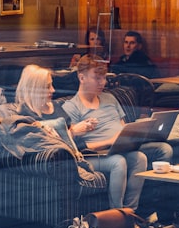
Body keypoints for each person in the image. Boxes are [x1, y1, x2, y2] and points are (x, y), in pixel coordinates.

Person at [62, 55, 148, 211]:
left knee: (140, 158)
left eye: (104, 77)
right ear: (82, 78)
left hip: (118, 148)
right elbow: (75, 146)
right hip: (94, 155)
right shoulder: (71, 107)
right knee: (118, 162)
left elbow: (123, 127)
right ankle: (116, 214)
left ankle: (130, 212)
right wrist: (110, 141)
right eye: (98, 78)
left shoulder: (109, 98)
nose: (104, 82)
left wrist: (134, 132)